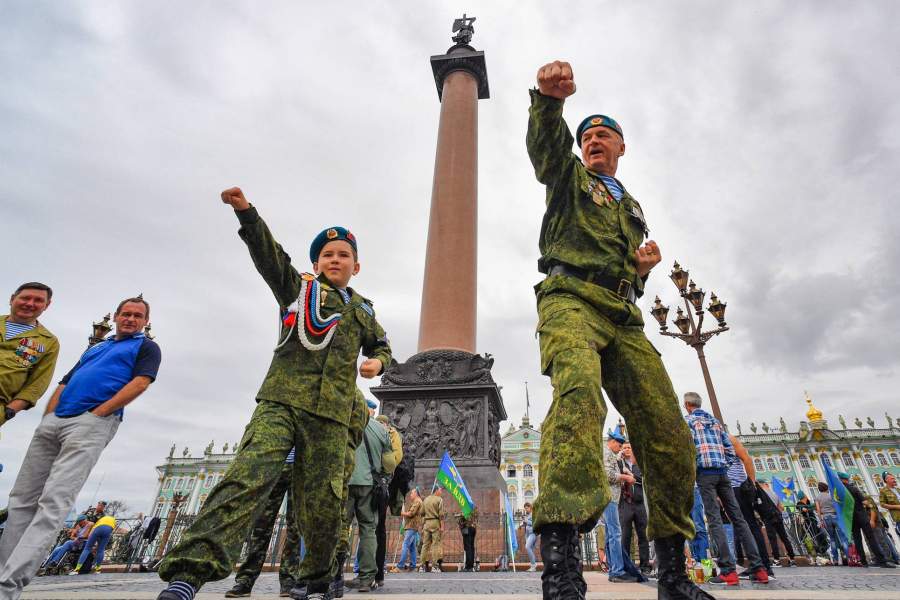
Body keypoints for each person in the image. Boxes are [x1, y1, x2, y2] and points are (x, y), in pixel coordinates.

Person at [526, 60, 705, 600]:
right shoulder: (569, 176)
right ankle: (560, 566)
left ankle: (673, 574)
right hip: (570, 299)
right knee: (579, 395)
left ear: (622, 147)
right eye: (587, 137)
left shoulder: (632, 206)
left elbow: (621, 265)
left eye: (603, 135)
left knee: (668, 430)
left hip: (623, 314)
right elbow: (546, 152)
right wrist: (548, 102)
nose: (593, 141)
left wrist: (640, 271)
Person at [157, 189, 392, 600]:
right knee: (245, 479)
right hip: (281, 403)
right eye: (326, 255)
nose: (334, 260)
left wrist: (378, 363)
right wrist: (247, 215)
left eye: (342, 254)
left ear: (356, 265)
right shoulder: (298, 291)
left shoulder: (365, 310)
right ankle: (188, 575)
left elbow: (382, 346)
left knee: (322, 504)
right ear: (315, 263)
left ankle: (317, 580)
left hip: (332, 416)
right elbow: (270, 258)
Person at [0, 296, 161, 600]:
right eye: (125, 313)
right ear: (115, 316)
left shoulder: (147, 347)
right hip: (55, 422)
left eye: (137, 316)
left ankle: (8, 586)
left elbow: (141, 382)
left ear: (145, 322)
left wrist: (99, 413)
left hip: (89, 424)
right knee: (21, 500)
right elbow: (65, 381)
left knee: (53, 502)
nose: (130, 318)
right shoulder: (98, 346)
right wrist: (49, 416)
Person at [684, 392, 767, 585]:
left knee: (714, 521)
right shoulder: (715, 422)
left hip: (704, 474)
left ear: (687, 405)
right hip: (723, 473)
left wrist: (694, 468)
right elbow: (730, 449)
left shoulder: (688, 422)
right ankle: (759, 568)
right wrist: (724, 466)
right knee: (739, 519)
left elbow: (687, 451)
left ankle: (728, 571)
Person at [224, 448, 302, 598]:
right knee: (261, 526)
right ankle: (245, 580)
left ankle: (289, 581)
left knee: (296, 527)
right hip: (274, 465)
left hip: (301, 467)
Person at [344, 400, 393, 592]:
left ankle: (332, 577)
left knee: (339, 528)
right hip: (369, 485)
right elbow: (389, 464)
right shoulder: (381, 430)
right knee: (368, 529)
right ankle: (366, 578)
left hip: (344, 482)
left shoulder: (344, 422)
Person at [1, 282, 59, 429]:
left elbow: (37, 385)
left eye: (38, 300)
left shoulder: (49, 342)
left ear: (46, 305)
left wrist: (9, 411)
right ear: (12, 299)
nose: (30, 304)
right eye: (25, 298)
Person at [727, 435, 774, 579]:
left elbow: (746, 459)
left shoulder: (729, 438)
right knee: (743, 527)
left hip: (738, 488)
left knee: (750, 526)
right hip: (729, 488)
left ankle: (763, 567)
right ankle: (756, 566)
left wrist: (751, 484)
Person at [837, 472, 894, 568]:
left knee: (857, 539)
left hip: (851, 518)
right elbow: (864, 501)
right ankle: (882, 561)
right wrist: (870, 505)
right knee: (871, 538)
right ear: (846, 479)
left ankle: (863, 561)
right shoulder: (854, 489)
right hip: (862, 516)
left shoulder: (840, 492)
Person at [373, 413, 403, 587]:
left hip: (373, 482)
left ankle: (372, 571)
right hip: (380, 482)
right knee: (377, 528)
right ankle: (374, 572)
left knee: (373, 527)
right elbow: (395, 459)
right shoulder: (392, 435)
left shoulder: (388, 434)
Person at [602, 426, 635, 583]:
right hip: (610, 498)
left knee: (610, 535)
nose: (620, 448)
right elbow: (608, 475)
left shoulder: (611, 455)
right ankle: (617, 570)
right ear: (613, 442)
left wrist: (625, 471)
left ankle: (613, 568)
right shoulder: (607, 454)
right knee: (615, 534)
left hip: (610, 498)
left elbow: (615, 463)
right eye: (619, 445)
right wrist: (625, 477)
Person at [618, 441, 649, 574]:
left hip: (639, 504)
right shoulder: (619, 464)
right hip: (625, 503)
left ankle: (645, 566)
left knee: (643, 535)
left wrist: (630, 475)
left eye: (629, 447)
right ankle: (627, 565)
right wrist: (619, 459)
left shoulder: (639, 465)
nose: (627, 449)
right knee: (625, 536)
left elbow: (643, 480)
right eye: (624, 447)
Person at [757, 480, 796, 566]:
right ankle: (792, 559)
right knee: (784, 537)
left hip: (768, 518)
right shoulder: (774, 494)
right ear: (766, 484)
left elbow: (760, 507)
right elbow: (780, 507)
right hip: (778, 517)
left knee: (772, 538)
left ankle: (776, 560)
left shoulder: (761, 494)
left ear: (760, 485)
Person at [816, 481, 848, 565]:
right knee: (842, 537)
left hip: (826, 518)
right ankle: (849, 557)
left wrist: (821, 520)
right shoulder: (831, 495)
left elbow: (818, 510)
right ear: (827, 488)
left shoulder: (818, 497)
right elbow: (837, 505)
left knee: (832, 539)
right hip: (835, 516)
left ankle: (835, 560)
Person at [396, 488, 423, 571]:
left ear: (416, 494)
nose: (410, 495)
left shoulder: (417, 501)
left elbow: (411, 513)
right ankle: (413, 566)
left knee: (405, 545)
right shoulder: (418, 501)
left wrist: (402, 513)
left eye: (412, 493)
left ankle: (400, 566)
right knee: (412, 547)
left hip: (411, 526)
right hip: (414, 526)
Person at [420, 488, 445, 573]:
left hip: (427, 523)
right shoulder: (439, 500)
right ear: (436, 490)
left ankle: (421, 566)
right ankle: (434, 566)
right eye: (440, 490)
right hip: (435, 522)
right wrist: (442, 526)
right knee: (435, 545)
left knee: (425, 545)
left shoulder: (426, 499)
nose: (441, 492)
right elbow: (441, 515)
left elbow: (422, 513)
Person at [878, 472, 900, 543]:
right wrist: (896, 506)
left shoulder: (898, 490)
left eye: (894, 478)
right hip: (898, 517)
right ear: (886, 480)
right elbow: (882, 504)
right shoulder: (883, 491)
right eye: (892, 478)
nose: (894, 480)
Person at [456, 507, 479, 572]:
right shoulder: (474, 509)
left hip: (467, 529)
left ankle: (468, 566)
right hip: (473, 529)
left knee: (468, 548)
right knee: (471, 547)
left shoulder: (466, 509)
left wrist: (460, 516)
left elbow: (463, 519)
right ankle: (471, 565)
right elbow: (476, 519)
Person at [521, 502, 538, 572]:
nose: (526, 510)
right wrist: (522, 523)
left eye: (527, 508)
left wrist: (526, 521)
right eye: (525, 509)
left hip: (533, 533)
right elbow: (527, 523)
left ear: (530, 507)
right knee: (531, 549)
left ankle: (534, 564)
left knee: (527, 547)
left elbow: (535, 523)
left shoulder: (534, 514)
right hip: (527, 534)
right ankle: (533, 566)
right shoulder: (528, 515)